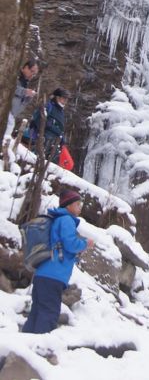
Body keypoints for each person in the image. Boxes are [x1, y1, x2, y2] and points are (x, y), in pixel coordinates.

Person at [22, 188, 94, 333]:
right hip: (53, 276)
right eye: (78, 204)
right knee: (49, 313)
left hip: (43, 274)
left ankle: (25, 347)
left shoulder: (58, 219)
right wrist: (86, 243)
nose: (80, 207)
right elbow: (70, 243)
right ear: (68, 206)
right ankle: (41, 349)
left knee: (37, 313)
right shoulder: (67, 220)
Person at [26, 88, 70, 159]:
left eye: (66, 99)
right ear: (57, 97)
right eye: (63, 98)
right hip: (40, 140)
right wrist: (49, 125)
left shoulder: (61, 111)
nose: (65, 101)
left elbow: (60, 128)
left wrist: (62, 141)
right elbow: (38, 119)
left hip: (52, 144)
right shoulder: (48, 106)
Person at [10, 59, 40, 124]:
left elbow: (19, 107)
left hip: (11, 116)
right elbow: (8, 86)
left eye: (34, 74)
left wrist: (28, 99)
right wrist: (24, 91)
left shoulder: (25, 83)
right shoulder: (14, 74)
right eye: (32, 71)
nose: (32, 75)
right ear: (26, 67)